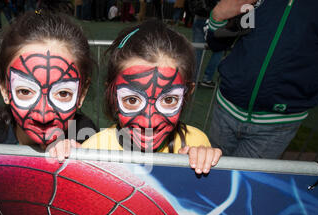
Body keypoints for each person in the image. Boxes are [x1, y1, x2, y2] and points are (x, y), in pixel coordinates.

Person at [82, 19, 222, 174]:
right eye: (132, 100)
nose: (149, 123)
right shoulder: (93, 150)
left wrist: (206, 160)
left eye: (169, 100)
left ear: (187, 93)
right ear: (112, 95)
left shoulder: (196, 142)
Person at [0, 11, 98, 161]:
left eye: (63, 93)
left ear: (81, 94)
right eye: (25, 91)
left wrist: (80, 162)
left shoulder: (88, 139)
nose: (43, 116)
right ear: (4, 88)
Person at [205, 0, 318, 159]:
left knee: (244, 182)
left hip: (278, 122)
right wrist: (218, 16)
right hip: (226, 108)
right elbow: (218, 43)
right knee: (209, 174)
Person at [188, 0, 222, 88]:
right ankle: (207, 78)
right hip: (217, 17)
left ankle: (193, 79)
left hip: (200, 16)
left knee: (197, 51)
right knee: (218, 50)